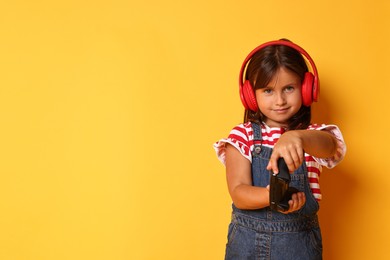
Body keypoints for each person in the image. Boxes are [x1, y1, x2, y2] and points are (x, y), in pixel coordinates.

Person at [214, 39, 346, 259]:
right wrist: (273, 196)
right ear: (250, 95)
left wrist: (298, 137)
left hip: (299, 246)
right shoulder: (243, 135)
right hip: (247, 246)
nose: (280, 100)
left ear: (306, 89)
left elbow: (331, 147)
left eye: (289, 88)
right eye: (268, 90)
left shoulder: (314, 135)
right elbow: (238, 192)